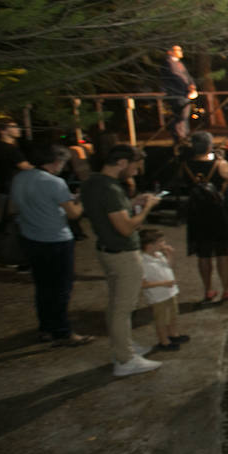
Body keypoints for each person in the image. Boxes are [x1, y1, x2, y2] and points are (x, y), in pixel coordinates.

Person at [80, 145, 163, 377]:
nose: (136, 172)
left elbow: (110, 213)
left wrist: (133, 203)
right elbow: (126, 228)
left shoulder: (92, 182)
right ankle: (125, 360)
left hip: (107, 249)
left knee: (117, 305)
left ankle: (123, 346)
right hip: (123, 254)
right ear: (123, 163)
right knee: (123, 307)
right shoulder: (110, 189)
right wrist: (146, 208)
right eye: (135, 166)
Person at [11, 142, 89, 345]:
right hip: (56, 239)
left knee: (43, 286)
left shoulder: (19, 178)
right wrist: (81, 200)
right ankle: (62, 331)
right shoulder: (55, 182)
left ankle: (45, 328)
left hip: (31, 238)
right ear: (56, 161)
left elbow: (13, 208)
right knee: (61, 288)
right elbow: (74, 213)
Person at [181, 131, 228, 304]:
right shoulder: (219, 163)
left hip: (197, 212)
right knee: (222, 252)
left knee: (203, 253)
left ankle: (208, 289)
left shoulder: (186, 164)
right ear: (209, 145)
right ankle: (227, 289)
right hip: (218, 212)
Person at [139, 228, 186, 351]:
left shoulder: (159, 255)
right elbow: (143, 284)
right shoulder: (143, 262)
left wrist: (170, 255)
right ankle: (164, 341)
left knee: (172, 315)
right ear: (150, 245)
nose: (164, 243)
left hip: (170, 292)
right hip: (158, 297)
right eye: (161, 241)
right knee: (161, 320)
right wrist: (164, 283)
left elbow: (169, 266)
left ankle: (173, 334)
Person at [160, 44, 197, 142]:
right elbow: (176, 78)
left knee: (185, 116)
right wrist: (187, 88)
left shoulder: (179, 63)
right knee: (180, 116)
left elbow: (188, 77)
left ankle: (185, 136)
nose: (180, 52)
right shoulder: (168, 63)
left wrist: (192, 87)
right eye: (177, 50)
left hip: (185, 93)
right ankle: (179, 137)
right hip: (177, 94)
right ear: (170, 52)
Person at [0, 117, 32, 197]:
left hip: (5, 190)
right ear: (2, 131)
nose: (18, 129)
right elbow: (26, 167)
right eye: (13, 127)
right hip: (15, 191)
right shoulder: (10, 149)